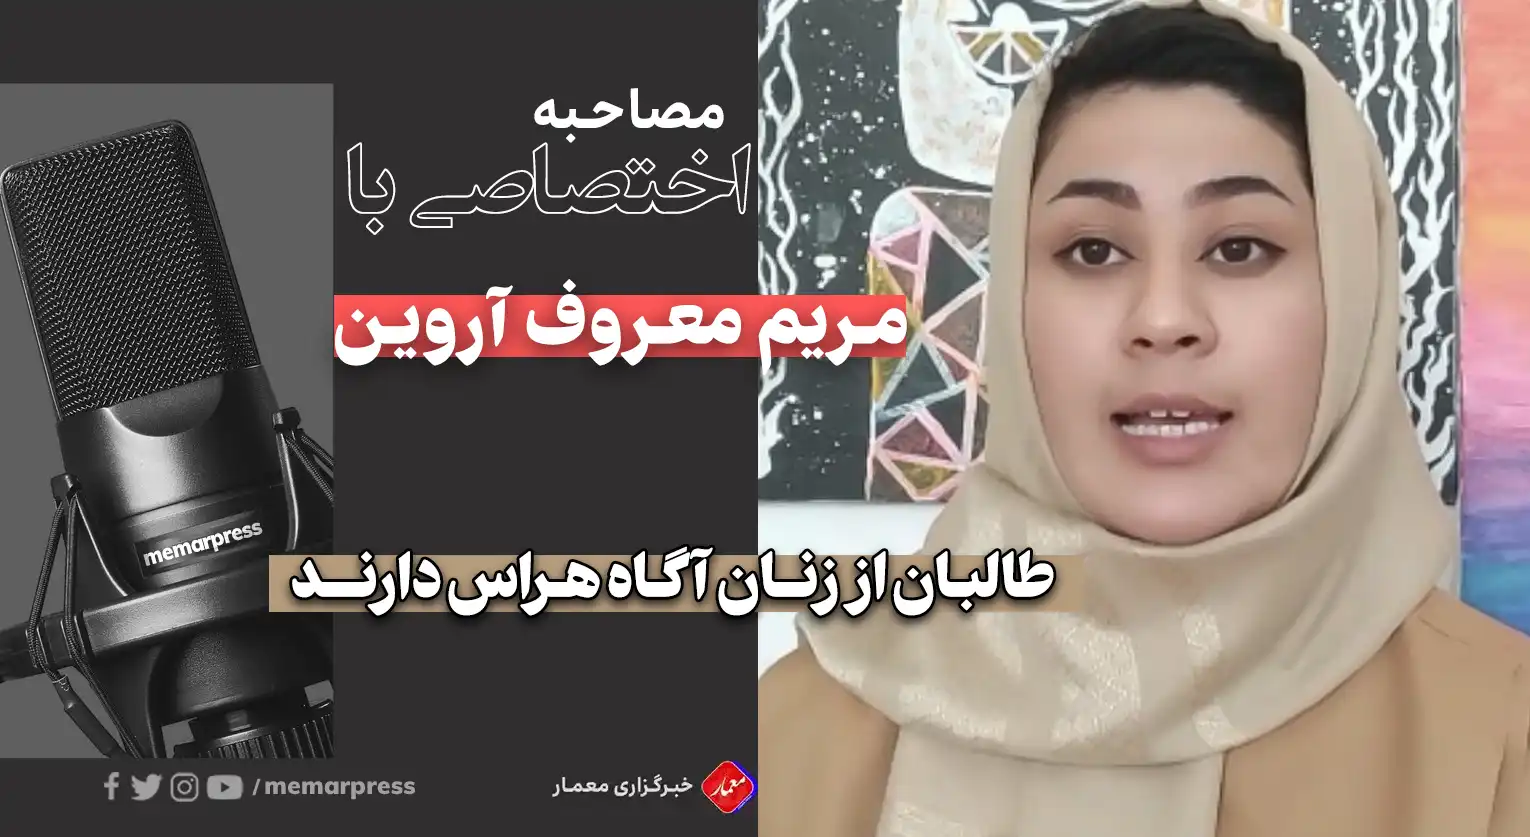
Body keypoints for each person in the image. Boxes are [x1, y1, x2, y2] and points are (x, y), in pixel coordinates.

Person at [757, 1, 1530, 835]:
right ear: (1012, 303)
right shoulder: (791, 736)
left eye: (1239, 249)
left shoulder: (1499, 733)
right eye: (1094, 251)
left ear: (1351, 296)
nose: (1163, 318)